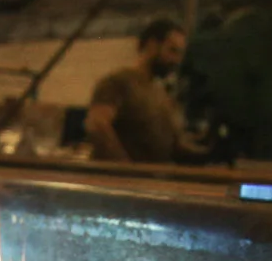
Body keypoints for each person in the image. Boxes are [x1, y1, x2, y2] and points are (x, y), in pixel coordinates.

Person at [82, 17, 201, 164]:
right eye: (172, 50)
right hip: (125, 177)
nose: (176, 60)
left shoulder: (161, 93)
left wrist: (209, 153)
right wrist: (127, 168)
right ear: (152, 45)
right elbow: (97, 126)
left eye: (179, 54)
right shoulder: (119, 82)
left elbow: (173, 145)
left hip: (154, 176)